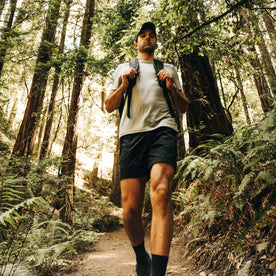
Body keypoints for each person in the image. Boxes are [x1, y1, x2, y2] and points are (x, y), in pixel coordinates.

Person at [105, 22, 188, 276]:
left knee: (161, 192)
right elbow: (108, 105)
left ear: (156, 43)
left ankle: (158, 272)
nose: (147, 38)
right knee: (130, 211)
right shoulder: (123, 68)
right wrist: (123, 85)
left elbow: (184, 106)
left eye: (152, 35)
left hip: (163, 131)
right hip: (131, 136)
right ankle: (142, 256)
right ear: (136, 43)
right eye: (143, 35)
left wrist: (172, 88)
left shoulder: (169, 69)